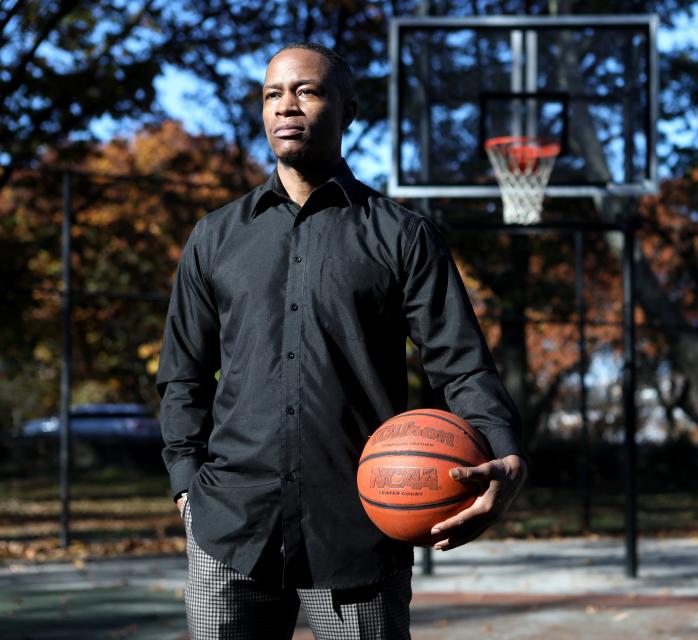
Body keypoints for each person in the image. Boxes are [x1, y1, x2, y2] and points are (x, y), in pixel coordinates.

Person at [157, 42, 527, 639]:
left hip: (361, 525)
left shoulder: (403, 236)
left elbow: (461, 366)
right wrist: (185, 484)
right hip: (229, 524)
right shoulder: (216, 237)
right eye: (273, 94)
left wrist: (506, 450)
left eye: (308, 91)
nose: (287, 106)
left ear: (348, 111)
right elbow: (183, 375)